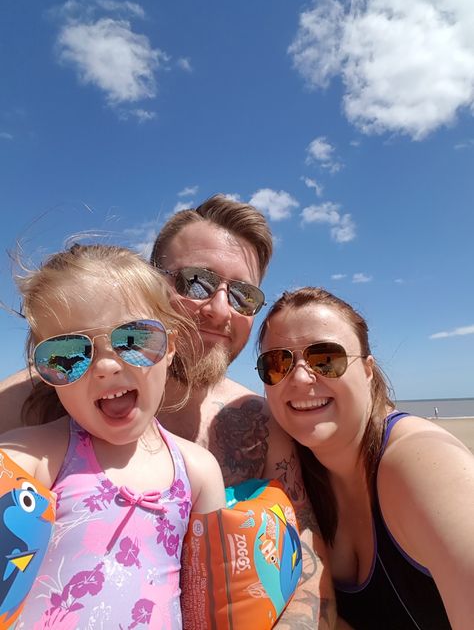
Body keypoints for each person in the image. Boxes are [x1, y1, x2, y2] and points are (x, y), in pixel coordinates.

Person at [0, 196, 336, 628]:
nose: (219, 310)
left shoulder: (259, 424)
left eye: (243, 295)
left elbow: (304, 560)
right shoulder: (30, 399)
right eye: (197, 281)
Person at [1, 243, 226, 628]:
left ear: (170, 346)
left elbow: (209, 601)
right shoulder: (41, 456)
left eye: (134, 340)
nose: (106, 366)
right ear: (46, 371)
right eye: (68, 354)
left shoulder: (198, 470)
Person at [256, 286, 474, 630]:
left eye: (325, 359)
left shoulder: (422, 462)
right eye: (277, 363)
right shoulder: (296, 471)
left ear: (368, 370)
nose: (298, 378)